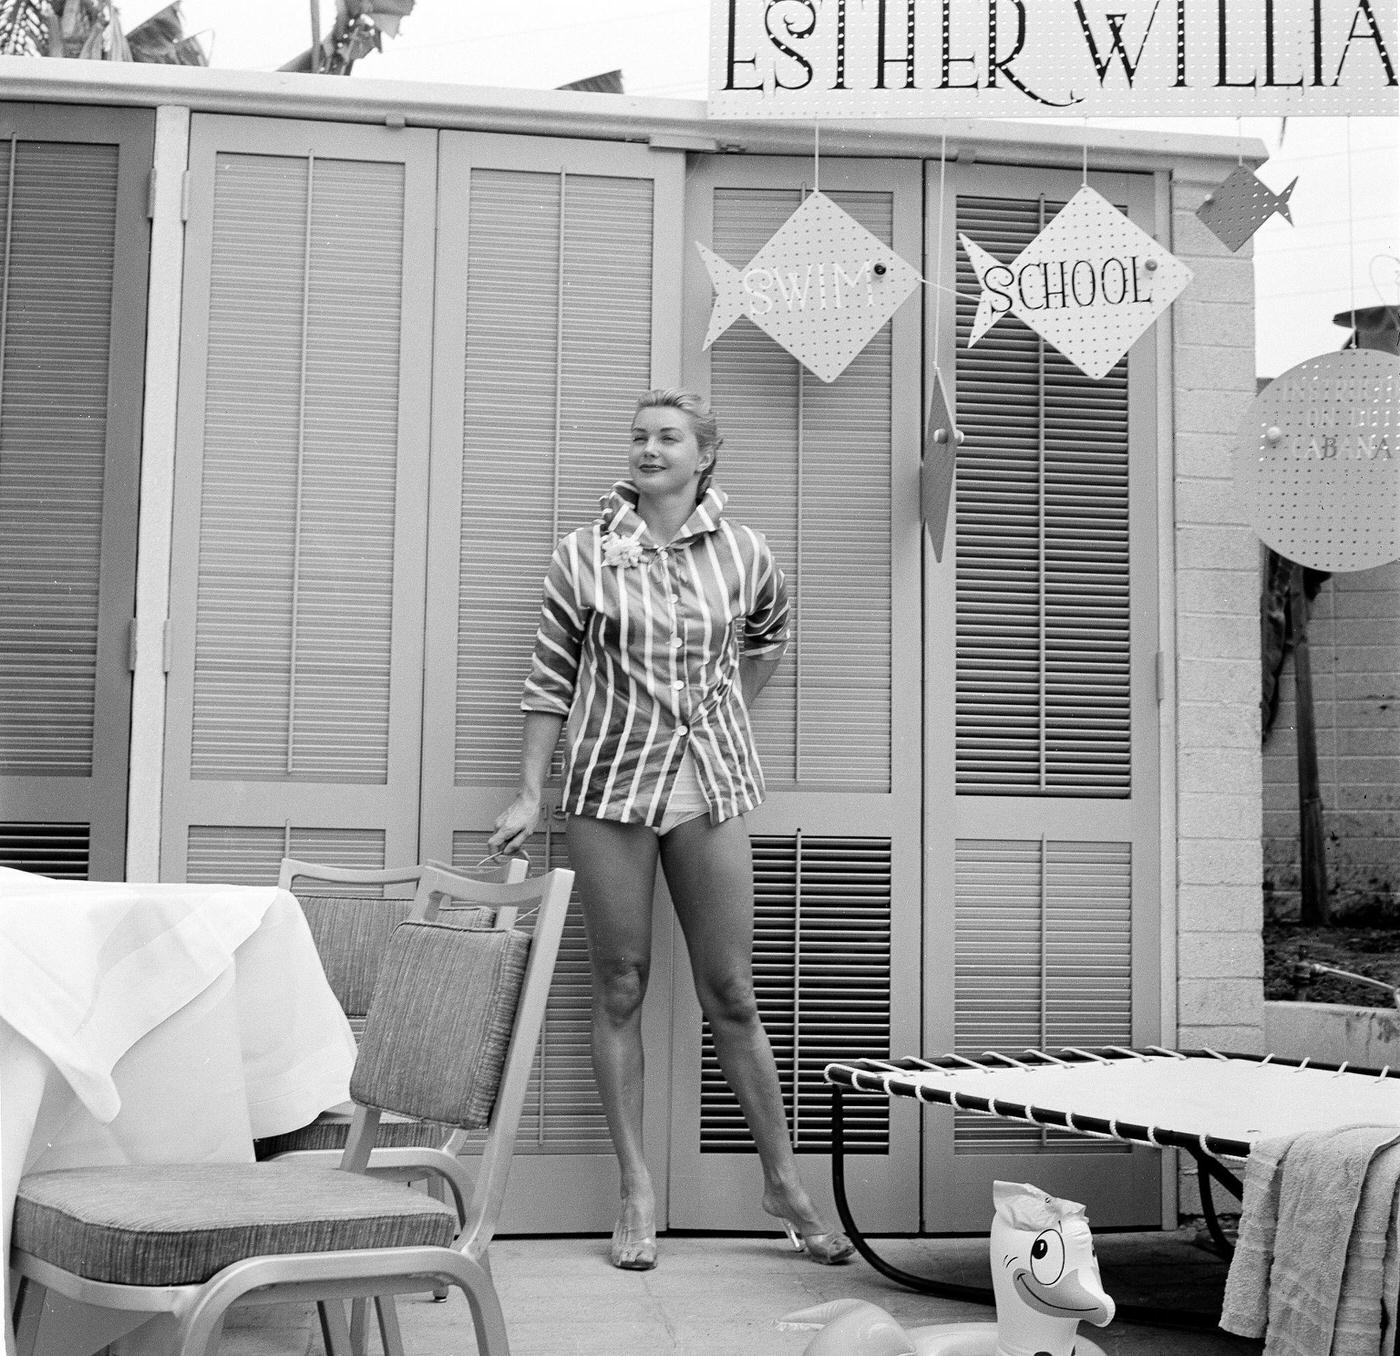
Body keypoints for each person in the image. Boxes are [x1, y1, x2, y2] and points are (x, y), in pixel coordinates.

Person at [488, 388, 854, 1272]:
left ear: (703, 456)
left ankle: (784, 1183)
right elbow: (549, 680)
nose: (649, 449)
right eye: (640, 436)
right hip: (609, 788)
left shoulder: (747, 553)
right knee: (620, 984)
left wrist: (726, 718)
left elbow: (768, 640)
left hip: (714, 788)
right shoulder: (584, 556)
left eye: (669, 437)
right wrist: (531, 793)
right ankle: (636, 1189)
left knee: (732, 992)